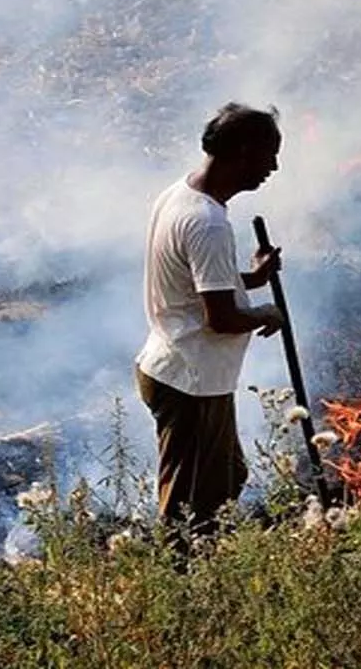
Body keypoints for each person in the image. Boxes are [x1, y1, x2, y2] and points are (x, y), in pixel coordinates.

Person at [134, 102, 286, 540]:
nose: (273, 167)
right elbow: (220, 317)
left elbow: (198, 285)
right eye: (269, 154)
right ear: (241, 151)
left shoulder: (179, 195)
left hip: (182, 370)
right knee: (191, 512)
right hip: (190, 380)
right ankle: (183, 592)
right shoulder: (208, 222)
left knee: (227, 479)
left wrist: (253, 279)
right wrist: (265, 312)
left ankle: (197, 580)